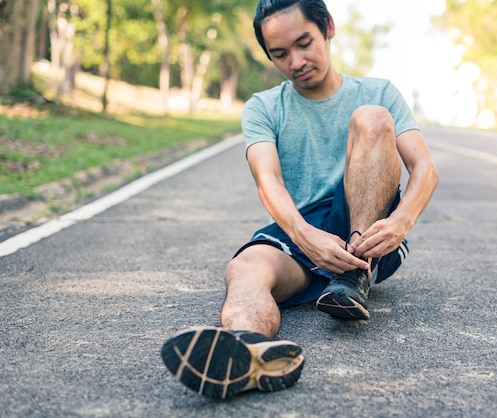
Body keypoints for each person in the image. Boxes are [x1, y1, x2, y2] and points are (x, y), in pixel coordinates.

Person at [161, 0, 439, 400]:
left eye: (304, 43)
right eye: (280, 54)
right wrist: (305, 236)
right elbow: (267, 178)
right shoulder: (263, 108)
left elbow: (425, 168)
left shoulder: (378, 91)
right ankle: (248, 352)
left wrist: (401, 222)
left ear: (327, 28)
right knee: (245, 268)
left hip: (369, 229)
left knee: (373, 117)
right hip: (302, 228)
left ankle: (354, 275)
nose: (296, 61)